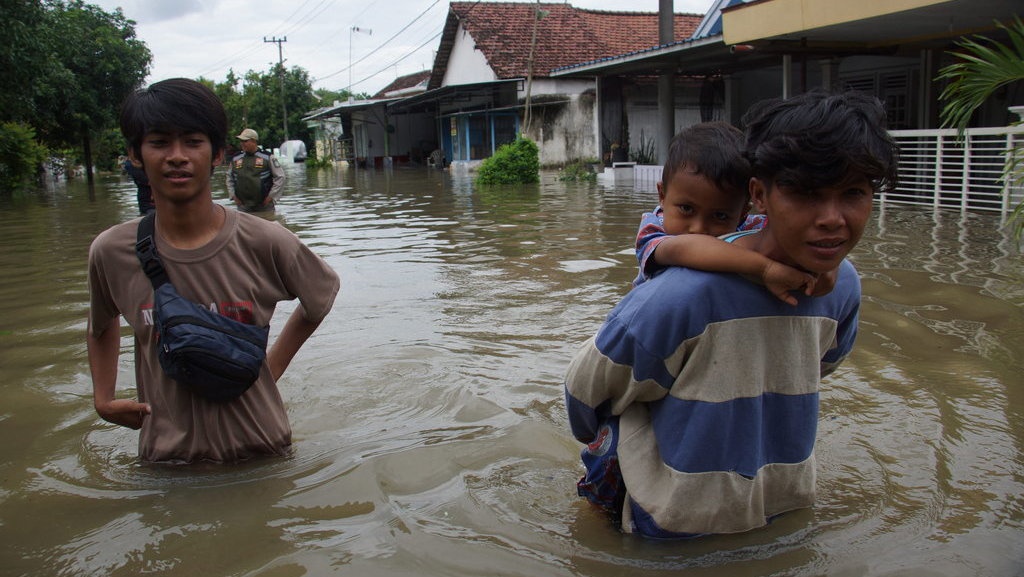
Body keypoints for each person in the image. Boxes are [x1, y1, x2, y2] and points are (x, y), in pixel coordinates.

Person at [564, 89, 898, 538]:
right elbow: (585, 392)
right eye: (805, 194)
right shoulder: (679, 295)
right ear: (759, 195)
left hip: (776, 508)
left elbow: (586, 402)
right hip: (674, 530)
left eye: (854, 193)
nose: (832, 219)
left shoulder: (842, 285)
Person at [87, 78, 340, 464]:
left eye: (192, 141)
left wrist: (267, 370)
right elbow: (101, 325)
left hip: (263, 453)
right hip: (167, 460)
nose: (177, 156)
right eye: (159, 142)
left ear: (217, 154)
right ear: (135, 155)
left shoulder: (265, 241)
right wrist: (103, 400)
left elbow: (320, 299)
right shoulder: (111, 252)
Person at [632, 121, 821, 305]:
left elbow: (789, 235)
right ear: (662, 195)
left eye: (720, 216)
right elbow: (683, 248)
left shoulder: (750, 226)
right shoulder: (652, 228)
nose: (698, 228)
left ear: (742, 214)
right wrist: (765, 269)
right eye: (686, 209)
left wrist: (823, 269)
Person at [226, 128, 285, 212]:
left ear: (254, 141)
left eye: (245, 141)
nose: (242, 144)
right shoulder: (236, 158)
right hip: (243, 206)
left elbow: (280, 177)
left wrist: (271, 197)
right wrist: (233, 196)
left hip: (264, 205)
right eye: (241, 141)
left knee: (267, 223)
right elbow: (229, 177)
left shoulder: (268, 157)